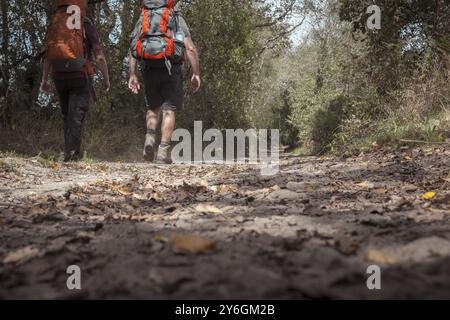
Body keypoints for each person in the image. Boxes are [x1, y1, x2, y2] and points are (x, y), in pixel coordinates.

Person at [40, 0, 110, 162]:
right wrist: (106, 80)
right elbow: (99, 56)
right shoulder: (87, 26)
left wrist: (44, 79)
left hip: (59, 75)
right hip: (80, 74)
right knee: (76, 116)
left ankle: (68, 153)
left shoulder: (57, 23)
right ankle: (72, 156)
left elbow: (48, 55)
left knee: (66, 116)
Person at [128, 9, 200, 164]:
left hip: (148, 67)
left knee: (153, 108)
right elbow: (190, 48)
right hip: (171, 69)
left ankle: (149, 137)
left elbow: (133, 47)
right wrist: (196, 73)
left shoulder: (144, 16)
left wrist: (132, 74)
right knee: (168, 110)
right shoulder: (175, 17)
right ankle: (162, 152)